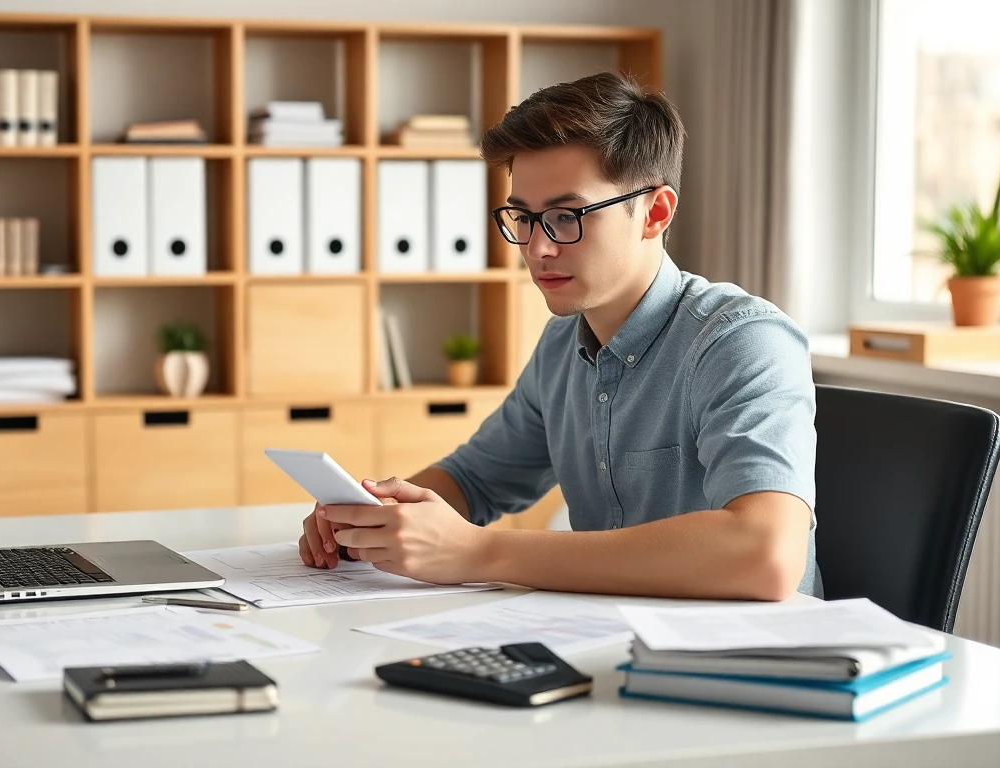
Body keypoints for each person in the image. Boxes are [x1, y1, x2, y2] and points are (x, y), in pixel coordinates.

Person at [297, 71, 820, 601]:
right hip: (612, 639)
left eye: (566, 216)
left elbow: (766, 555)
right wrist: (369, 519)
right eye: (523, 217)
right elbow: (474, 481)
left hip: (751, 660)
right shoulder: (562, 343)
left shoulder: (742, 342)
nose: (537, 248)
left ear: (654, 214)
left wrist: (480, 551)